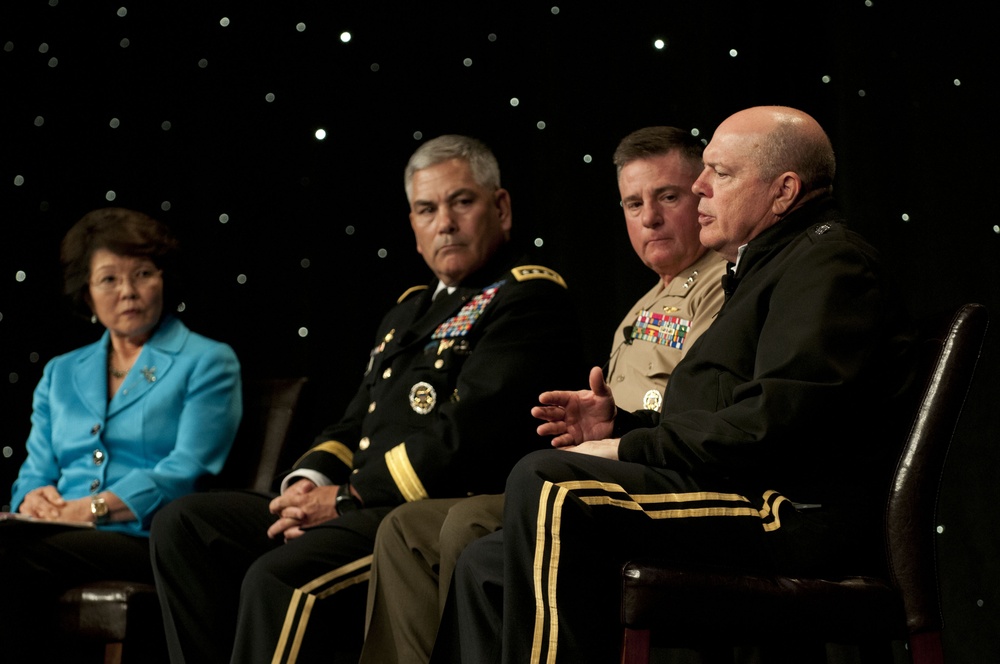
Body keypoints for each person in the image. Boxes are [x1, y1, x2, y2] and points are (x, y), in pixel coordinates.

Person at [438, 106, 916, 663]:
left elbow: (773, 426)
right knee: (485, 564)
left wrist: (629, 445)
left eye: (722, 172)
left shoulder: (830, 264)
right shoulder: (769, 268)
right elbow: (723, 409)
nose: (700, 186)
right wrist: (621, 423)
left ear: (784, 191)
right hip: (743, 493)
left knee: (548, 482)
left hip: (790, 512)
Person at [148, 134, 584, 664]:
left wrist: (344, 499)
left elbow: (463, 438)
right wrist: (307, 485)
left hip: (418, 517)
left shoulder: (529, 298)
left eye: (461, 202)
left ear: (501, 208)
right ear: (414, 229)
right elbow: (355, 421)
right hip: (352, 504)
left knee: (279, 578)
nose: (444, 222)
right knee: (186, 525)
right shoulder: (407, 312)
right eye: (427, 209)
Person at [359, 126, 727, 664]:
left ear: (702, 196)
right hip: (603, 475)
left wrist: (619, 431)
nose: (648, 217)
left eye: (667, 197)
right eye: (632, 202)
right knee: (406, 529)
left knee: (464, 524)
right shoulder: (641, 304)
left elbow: (694, 415)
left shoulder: (723, 284)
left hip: (663, 485)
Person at [0, 207, 242, 661]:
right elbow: (34, 469)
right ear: (87, 295)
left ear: (163, 280)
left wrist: (89, 510)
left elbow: (184, 471)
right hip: (53, 534)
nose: (128, 291)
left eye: (143, 274)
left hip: (144, 539)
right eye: (109, 279)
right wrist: (30, 500)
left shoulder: (208, 361)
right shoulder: (59, 372)